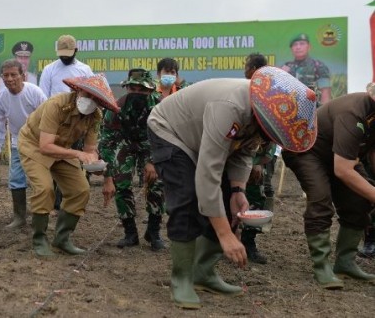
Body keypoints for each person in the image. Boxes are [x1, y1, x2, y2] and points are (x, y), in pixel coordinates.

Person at [147, 66, 317, 309]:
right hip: (171, 131)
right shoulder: (229, 107)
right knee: (187, 199)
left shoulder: (262, 115)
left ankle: (203, 273)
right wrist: (226, 236)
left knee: (230, 204)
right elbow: (208, 174)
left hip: (203, 139)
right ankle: (182, 279)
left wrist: (238, 191)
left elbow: (244, 151)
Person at [282, 82, 375, 289]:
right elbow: (342, 170)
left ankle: (345, 263)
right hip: (307, 150)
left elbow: (371, 153)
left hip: (337, 156)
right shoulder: (353, 113)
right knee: (320, 200)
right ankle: (321, 266)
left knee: (360, 200)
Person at [18, 74, 119, 257]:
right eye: (88, 95)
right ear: (78, 90)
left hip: (63, 148)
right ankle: (39, 239)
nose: (91, 101)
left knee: (80, 189)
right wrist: (79, 154)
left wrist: (94, 162)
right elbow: (45, 146)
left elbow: (90, 148)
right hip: (34, 146)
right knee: (44, 188)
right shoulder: (56, 105)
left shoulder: (95, 116)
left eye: (97, 99)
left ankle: (62, 239)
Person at [100, 68, 166, 251]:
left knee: (157, 183)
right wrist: (108, 174)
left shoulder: (160, 108)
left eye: (142, 90)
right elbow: (106, 142)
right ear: (127, 89)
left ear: (151, 90)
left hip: (152, 143)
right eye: (133, 89)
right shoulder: (116, 107)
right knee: (121, 183)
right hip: (125, 142)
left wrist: (152, 161)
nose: (137, 93)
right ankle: (130, 233)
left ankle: (153, 232)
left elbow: (166, 138)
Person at [39, 35, 95, 212]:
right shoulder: (49, 70)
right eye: (61, 54)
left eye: (68, 54)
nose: (64, 57)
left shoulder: (85, 70)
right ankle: (56, 199)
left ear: (76, 51)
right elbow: (43, 97)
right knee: (55, 159)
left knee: (77, 158)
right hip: (56, 122)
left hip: (78, 122)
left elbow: (93, 95)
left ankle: (73, 197)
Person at [0, 59, 46, 229]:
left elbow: (48, 119)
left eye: (14, 74)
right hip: (18, 143)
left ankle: (41, 217)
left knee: (42, 181)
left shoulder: (35, 93)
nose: (9, 79)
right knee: (15, 179)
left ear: (23, 76)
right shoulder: (1, 98)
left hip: (39, 143)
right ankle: (19, 217)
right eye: (5, 75)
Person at [241, 53, 275, 264]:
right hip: (234, 155)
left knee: (255, 199)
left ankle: (249, 244)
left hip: (254, 161)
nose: (245, 70)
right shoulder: (241, 91)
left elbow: (271, 132)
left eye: (247, 66)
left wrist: (259, 162)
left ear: (254, 68)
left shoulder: (268, 95)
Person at [0, 41, 37, 114]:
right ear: (15, 59)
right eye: (20, 57)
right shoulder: (3, 79)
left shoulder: (33, 78)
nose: (23, 61)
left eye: (26, 58)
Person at [281, 33, 332, 105]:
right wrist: (281, 74)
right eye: (295, 44)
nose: (298, 47)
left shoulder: (318, 66)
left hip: (312, 110)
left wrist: (323, 113)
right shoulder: (286, 67)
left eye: (302, 44)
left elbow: (325, 92)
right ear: (291, 49)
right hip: (289, 109)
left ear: (309, 46)